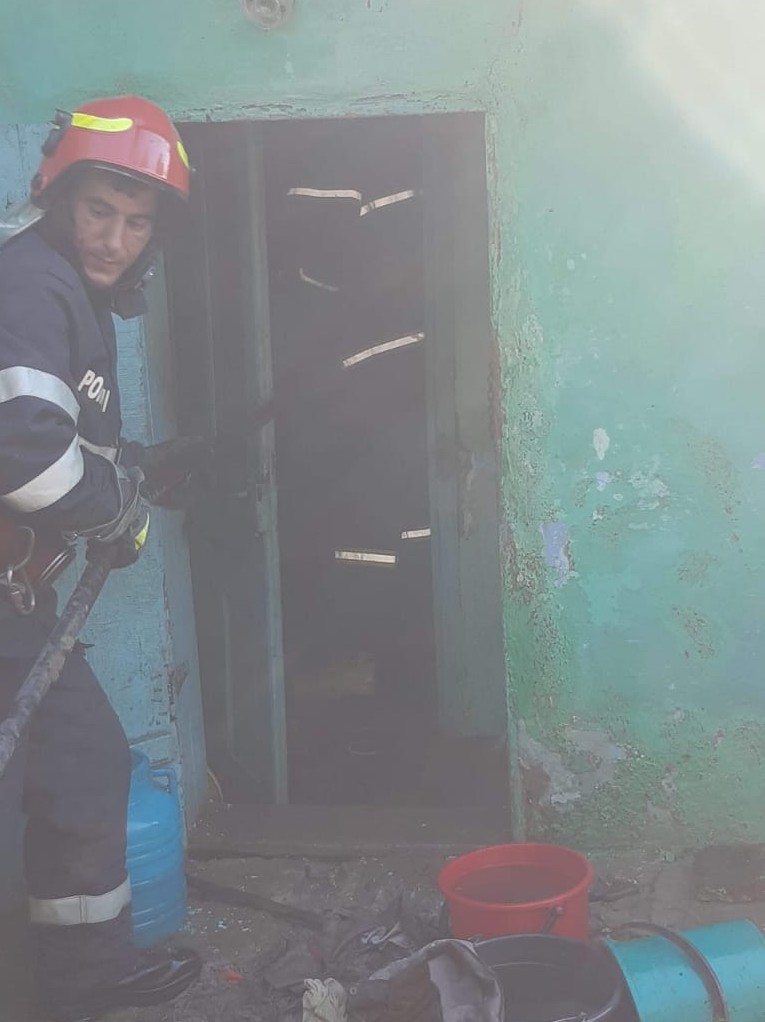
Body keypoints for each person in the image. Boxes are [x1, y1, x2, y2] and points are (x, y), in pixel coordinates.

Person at [0, 96, 207, 1021]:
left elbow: (64, 440)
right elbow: (23, 452)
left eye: (136, 222)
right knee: (60, 777)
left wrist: (134, 471)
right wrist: (112, 509)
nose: (114, 239)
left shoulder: (69, 296)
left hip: (18, 603)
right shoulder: (27, 284)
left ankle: (81, 981)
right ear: (58, 193)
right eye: (98, 210)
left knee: (83, 768)